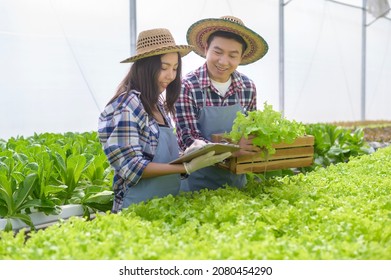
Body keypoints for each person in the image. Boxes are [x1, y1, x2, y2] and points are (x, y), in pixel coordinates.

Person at [98, 28, 232, 212]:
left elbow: (161, 159)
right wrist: (185, 167)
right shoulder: (127, 104)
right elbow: (131, 167)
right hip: (135, 210)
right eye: (164, 68)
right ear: (145, 66)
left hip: (165, 207)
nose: (171, 76)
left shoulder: (158, 105)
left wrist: (189, 153)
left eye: (175, 68)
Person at [174, 16, 269, 192]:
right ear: (205, 49)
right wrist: (232, 150)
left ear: (241, 57)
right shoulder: (187, 86)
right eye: (218, 52)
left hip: (236, 184)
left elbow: (251, 132)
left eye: (233, 55)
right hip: (195, 185)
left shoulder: (247, 87)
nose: (223, 61)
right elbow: (189, 140)